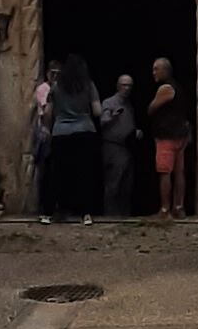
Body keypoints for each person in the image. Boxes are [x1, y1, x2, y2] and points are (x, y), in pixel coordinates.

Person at [43, 54, 101, 221]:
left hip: (61, 132)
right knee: (84, 173)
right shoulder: (88, 85)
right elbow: (97, 111)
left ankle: (49, 212)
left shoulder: (55, 87)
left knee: (57, 173)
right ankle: (86, 213)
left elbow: (47, 112)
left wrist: (48, 128)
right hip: (85, 131)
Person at [147, 54, 192, 218]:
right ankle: (179, 207)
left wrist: (151, 107)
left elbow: (152, 108)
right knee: (179, 172)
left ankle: (165, 209)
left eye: (156, 69)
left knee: (165, 171)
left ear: (165, 70)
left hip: (167, 136)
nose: (153, 72)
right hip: (180, 135)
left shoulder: (166, 89)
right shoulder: (178, 88)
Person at [98, 73, 138, 216]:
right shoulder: (109, 102)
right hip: (113, 147)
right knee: (113, 183)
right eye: (124, 85)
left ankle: (124, 216)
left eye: (130, 86)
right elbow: (102, 121)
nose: (127, 88)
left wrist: (135, 132)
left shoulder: (129, 105)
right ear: (118, 86)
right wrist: (112, 116)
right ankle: (110, 216)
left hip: (128, 148)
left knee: (127, 185)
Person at [28, 77, 53, 217]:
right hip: (45, 133)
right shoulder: (43, 89)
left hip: (56, 132)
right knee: (43, 170)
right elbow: (45, 112)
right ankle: (42, 206)